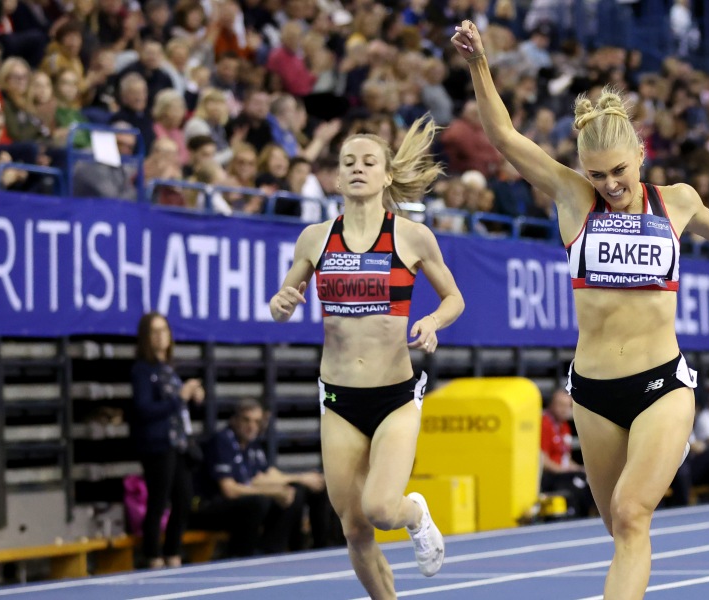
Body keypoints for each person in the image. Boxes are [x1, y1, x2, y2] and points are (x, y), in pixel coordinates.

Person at [451, 19, 709, 598]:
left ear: (641, 152)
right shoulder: (573, 199)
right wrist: (480, 63)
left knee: (633, 516)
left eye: (619, 171)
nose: (610, 184)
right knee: (617, 526)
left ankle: (671, 438)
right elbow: (506, 137)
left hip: (662, 382)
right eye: (597, 174)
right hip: (593, 391)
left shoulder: (675, 201)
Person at [269, 114, 464, 597]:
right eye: (348, 162)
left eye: (369, 161)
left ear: (387, 174)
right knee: (355, 529)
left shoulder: (411, 236)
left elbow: (454, 299)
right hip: (338, 399)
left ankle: (415, 513)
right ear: (336, 176)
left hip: (394, 397)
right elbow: (281, 306)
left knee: (381, 508)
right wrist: (281, 303)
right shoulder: (315, 238)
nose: (358, 168)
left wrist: (432, 322)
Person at [190, 399, 342, 556]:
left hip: (239, 502)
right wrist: (273, 491)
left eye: (256, 421)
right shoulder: (222, 441)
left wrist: (302, 478)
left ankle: (313, 548)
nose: (251, 426)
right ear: (234, 420)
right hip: (208, 505)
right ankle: (246, 554)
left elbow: (267, 476)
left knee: (298, 490)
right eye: (246, 420)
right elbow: (229, 490)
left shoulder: (251, 445)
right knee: (260, 501)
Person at [129, 312, 203, 569]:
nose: (161, 336)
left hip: (179, 443)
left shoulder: (168, 370)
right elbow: (144, 409)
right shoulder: (142, 371)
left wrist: (192, 397)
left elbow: (177, 410)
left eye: (164, 330)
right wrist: (179, 398)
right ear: (146, 338)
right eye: (154, 331)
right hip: (158, 444)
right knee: (159, 500)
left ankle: (173, 550)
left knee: (184, 498)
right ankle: (152, 554)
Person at [540, 388, 594, 519]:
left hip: (563, 472)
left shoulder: (564, 426)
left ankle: (591, 515)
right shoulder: (545, 424)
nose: (564, 409)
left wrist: (579, 469)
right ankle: (576, 516)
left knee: (589, 477)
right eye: (560, 405)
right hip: (550, 475)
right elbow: (542, 458)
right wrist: (563, 471)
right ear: (551, 405)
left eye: (568, 406)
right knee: (576, 482)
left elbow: (566, 458)